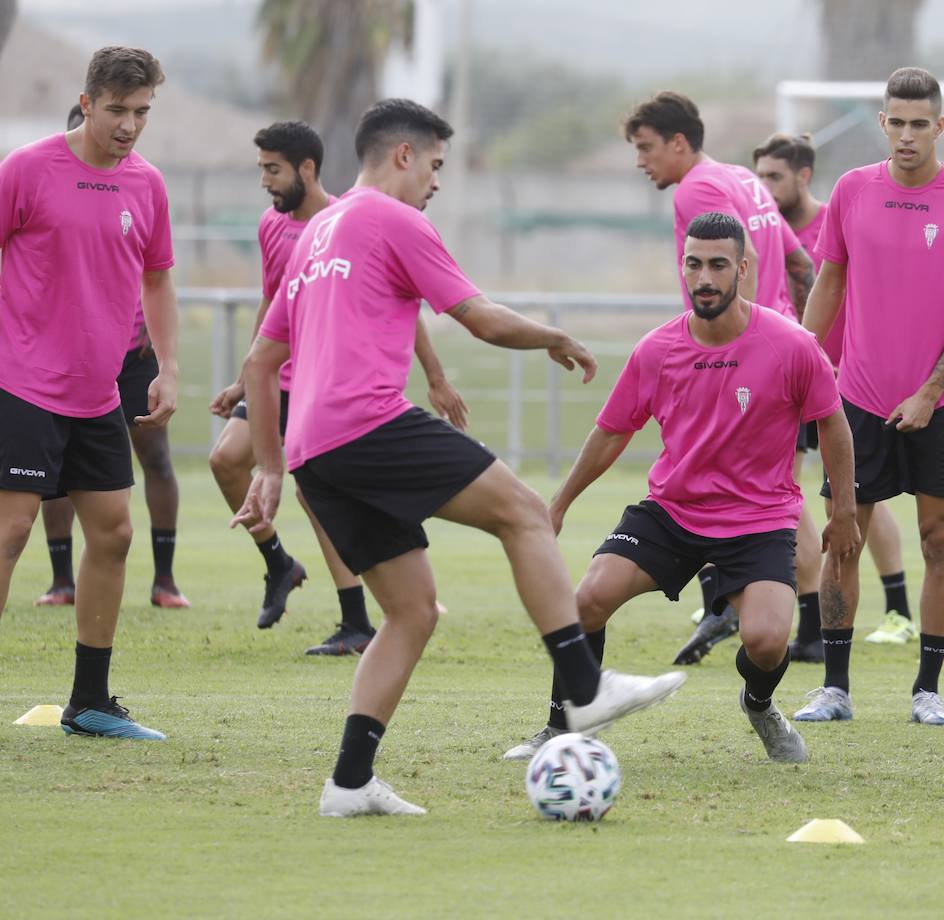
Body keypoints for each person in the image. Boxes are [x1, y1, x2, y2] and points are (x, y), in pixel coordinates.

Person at [231, 98, 685, 817]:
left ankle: (348, 784)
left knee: (411, 612)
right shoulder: (394, 218)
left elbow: (259, 362)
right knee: (526, 514)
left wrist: (268, 467)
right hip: (368, 424)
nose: (437, 182)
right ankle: (582, 683)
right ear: (403, 155)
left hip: (314, 450)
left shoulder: (318, 231)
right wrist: (553, 336)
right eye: (436, 165)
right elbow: (477, 316)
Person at [501, 212, 858, 763]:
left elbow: (833, 423)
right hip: (672, 511)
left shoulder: (791, 345)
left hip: (758, 519)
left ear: (743, 268)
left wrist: (846, 510)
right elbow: (611, 432)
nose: (705, 278)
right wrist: (560, 503)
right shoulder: (657, 349)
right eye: (693, 264)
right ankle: (560, 728)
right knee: (586, 600)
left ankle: (760, 704)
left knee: (766, 642)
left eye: (718, 265)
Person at [209, 120, 464, 654]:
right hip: (275, 375)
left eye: (273, 171)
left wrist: (436, 378)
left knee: (316, 493)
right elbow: (272, 303)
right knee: (226, 461)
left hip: (324, 384)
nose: (265, 182)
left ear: (307, 169)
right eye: (261, 170)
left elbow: (407, 306)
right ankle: (278, 561)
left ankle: (356, 618)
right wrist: (242, 378)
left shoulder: (347, 218)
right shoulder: (272, 226)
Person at [796, 67, 944, 726]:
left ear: (940, 127)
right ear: (881, 123)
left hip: (937, 406)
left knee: (938, 541)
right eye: (897, 122)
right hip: (855, 401)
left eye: (920, 124)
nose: (907, 135)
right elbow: (829, 282)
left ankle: (928, 690)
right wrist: (798, 363)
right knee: (842, 538)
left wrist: (929, 392)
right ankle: (834, 688)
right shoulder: (852, 191)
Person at [0, 46, 178, 740]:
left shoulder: (148, 186)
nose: (130, 126)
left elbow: (158, 277)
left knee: (115, 533)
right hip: (20, 383)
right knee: (11, 532)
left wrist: (167, 364)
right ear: (86, 101)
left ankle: (92, 702)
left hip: (97, 392)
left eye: (142, 112)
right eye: (117, 110)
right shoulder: (28, 168)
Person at [623, 90, 819, 665]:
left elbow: (738, 270)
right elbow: (800, 262)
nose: (642, 162)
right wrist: (801, 340)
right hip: (779, 353)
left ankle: (736, 602)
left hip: (745, 365)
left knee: (735, 487)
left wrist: (747, 351)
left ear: (679, 143)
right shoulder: (741, 177)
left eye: (646, 148)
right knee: (781, 495)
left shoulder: (698, 189)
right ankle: (791, 622)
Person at [753, 131, 916, 658]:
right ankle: (774, 600)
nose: (763, 186)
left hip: (849, 375)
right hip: (801, 368)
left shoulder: (838, 215)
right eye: (758, 176)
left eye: (773, 176)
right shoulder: (766, 229)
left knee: (856, 493)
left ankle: (896, 610)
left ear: (803, 176)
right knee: (810, 488)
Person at [35, 103, 188, 610]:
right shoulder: (43, 182)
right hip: (58, 360)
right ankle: (62, 580)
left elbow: (155, 272)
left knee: (157, 459)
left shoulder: (140, 186)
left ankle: (165, 580)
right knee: (53, 473)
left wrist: (160, 348)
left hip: (130, 355)